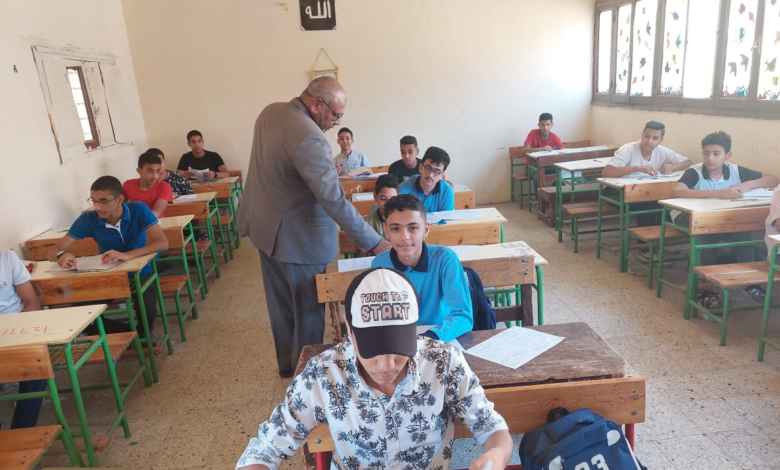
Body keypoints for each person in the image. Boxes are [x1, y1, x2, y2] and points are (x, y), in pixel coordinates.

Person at [235, 268, 512, 470]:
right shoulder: (324, 374)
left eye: (398, 348)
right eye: (373, 350)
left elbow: (491, 427)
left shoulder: (443, 362)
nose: (387, 366)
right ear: (349, 328)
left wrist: (496, 455)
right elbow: (265, 448)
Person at [237, 77, 391, 378]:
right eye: (335, 114)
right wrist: (373, 241)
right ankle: (306, 378)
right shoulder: (310, 136)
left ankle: (288, 367)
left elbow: (281, 168)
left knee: (281, 307)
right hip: (299, 239)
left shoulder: (270, 112)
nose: (337, 122)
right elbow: (333, 199)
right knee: (308, 312)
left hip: (264, 228)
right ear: (317, 103)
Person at [46, 176, 169, 336]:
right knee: (79, 316)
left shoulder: (138, 210)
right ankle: (129, 333)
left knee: (147, 313)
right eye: (94, 201)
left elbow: (162, 243)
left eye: (103, 201)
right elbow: (53, 251)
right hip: (109, 276)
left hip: (140, 273)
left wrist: (127, 255)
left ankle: (141, 333)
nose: (97, 207)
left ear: (120, 199)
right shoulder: (88, 219)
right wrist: (61, 254)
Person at [672, 131, 779, 309]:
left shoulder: (735, 170)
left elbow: (772, 178)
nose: (710, 158)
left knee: (742, 233)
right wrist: (718, 193)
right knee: (708, 235)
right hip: (687, 217)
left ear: (727, 155)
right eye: (706, 153)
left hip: (722, 218)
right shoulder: (695, 172)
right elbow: (678, 191)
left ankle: (750, 282)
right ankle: (704, 288)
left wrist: (744, 186)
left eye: (716, 154)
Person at [371, 194, 473, 341]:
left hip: (438, 338)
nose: (404, 237)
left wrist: (430, 337)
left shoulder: (445, 260)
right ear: (386, 231)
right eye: (395, 229)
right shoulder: (379, 264)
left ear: (425, 229)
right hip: (397, 341)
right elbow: (376, 314)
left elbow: (463, 315)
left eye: (413, 228)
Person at [0, 249, 46, 430]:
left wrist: (17, 333)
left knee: (36, 369)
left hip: (17, 330)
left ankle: (21, 432)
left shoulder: (6, 258)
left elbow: (32, 303)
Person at [601, 121, 691, 178]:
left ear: (661, 140)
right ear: (642, 135)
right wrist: (636, 169)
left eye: (655, 138)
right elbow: (606, 172)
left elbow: (689, 163)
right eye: (647, 136)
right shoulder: (627, 149)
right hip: (621, 191)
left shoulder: (663, 152)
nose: (649, 141)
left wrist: (673, 167)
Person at [398, 146, 455, 213]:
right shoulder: (403, 188)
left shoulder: (447, 191)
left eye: (436, 172)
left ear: (441, 175)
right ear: (420, 168)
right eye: (427, 168)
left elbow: (448, 219)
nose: (430, 175)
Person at [122, 152, 174, 217]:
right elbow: (120, 207)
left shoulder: (164, 187)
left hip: (156, 222)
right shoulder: (128, 185)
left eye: (158, 171)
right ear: (139, 171)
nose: (155, 176)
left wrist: (134, 219)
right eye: (150, 171)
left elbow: (157, 212)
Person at [363, 173, 399, 239]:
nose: (388, 204)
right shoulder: (366, 224)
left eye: (393, 199)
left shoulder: (406, 221)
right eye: (383, 198)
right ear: (375, 196)